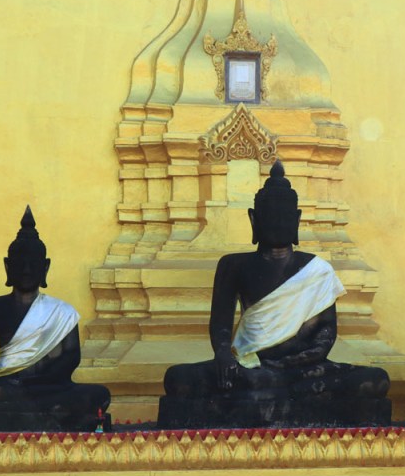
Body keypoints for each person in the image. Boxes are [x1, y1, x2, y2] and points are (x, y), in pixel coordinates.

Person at [159, 161, 390, 427]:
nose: (278, 221)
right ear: (253, 219)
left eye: (285, 215)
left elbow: (326, 335)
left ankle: (269, 388)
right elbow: (220, 325)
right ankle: (267, 387)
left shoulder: (317, 270)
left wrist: (290, 364)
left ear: (297, 219)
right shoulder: (233, 265)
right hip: (248, 365)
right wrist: (223, 355)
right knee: (177, 380)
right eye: (271, 214)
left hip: (303, 371)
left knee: (376, 381)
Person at [0, 206, 109, 431]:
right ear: (8, 266)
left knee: (99, 395)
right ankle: (23, 403)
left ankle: (15, 401)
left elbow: (71, 357)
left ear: (45, 267)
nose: (27, 270)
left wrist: (33, 380)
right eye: (20, 264)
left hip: (44, 387)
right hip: (6, 383)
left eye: (33, 264)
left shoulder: (62, 311)